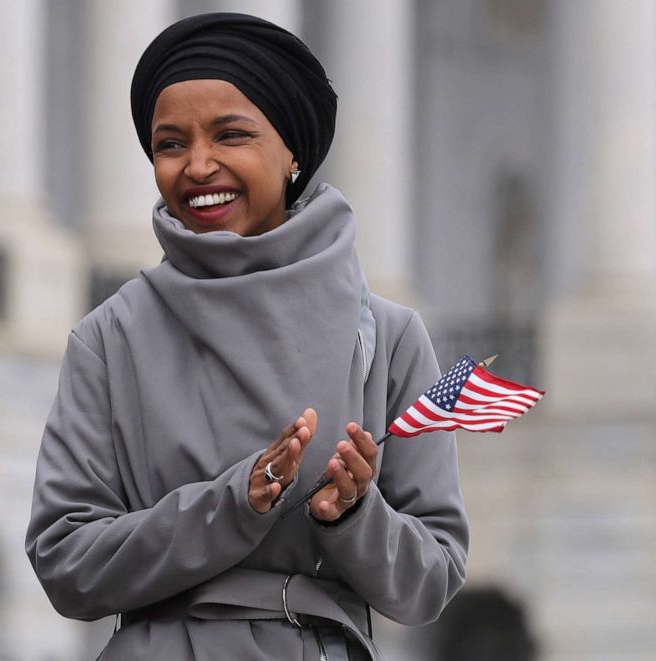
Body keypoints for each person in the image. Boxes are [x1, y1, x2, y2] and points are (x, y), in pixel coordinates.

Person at [25, 13, 469, 660]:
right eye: (170, 144)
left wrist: (352, 514)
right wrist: (233, 502)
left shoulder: (390, 337)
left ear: (293, 151)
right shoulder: (110, 336)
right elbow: (65, 558)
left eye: (230, 135)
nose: (198, 165)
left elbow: (431, 577)